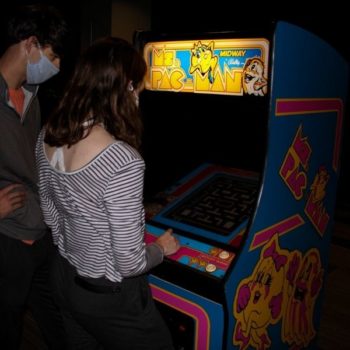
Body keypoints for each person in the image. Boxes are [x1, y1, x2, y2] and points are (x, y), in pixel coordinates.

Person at [36, 36, 180, 350]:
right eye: (138, 86)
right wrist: (160, 249)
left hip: (63, 277)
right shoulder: (122, 160)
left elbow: (50, 212)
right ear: (126, 87)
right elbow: (129, 262)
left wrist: (76, 248)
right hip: (108, 296)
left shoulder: (48, 133)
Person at [0, 4, 68, 349]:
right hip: (8, 237)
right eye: (52, 55)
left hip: (40, 232)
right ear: (30, 44)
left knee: (57, 320)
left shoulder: (31, 95)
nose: (55, 67)